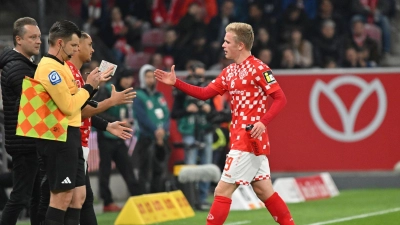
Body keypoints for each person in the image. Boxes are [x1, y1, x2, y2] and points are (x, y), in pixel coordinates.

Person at [155, 22, 295, 225]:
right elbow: (204, 94)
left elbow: (280, 98)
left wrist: (263, 122)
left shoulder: (259, 68)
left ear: (240, 45)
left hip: (248, 139)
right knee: (264, 190)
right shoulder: (229, 71)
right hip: (243, 138)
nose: (223, 45)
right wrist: (176, 83)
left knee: (222, 190)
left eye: (227, 41)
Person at [36, 31, 135, 224]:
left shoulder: (76, 73)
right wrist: (110, 102)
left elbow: (82, 108)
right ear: (77, 47)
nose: (93, 49)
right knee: (64, 199)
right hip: (66, 141)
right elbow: (77, 110)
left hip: (73, 142)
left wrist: (106, 124)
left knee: (79, 198)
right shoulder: (67, 70)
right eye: (89, 44)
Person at [33, 20, 101, 225]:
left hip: (69, 136)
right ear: (60, 43)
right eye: (73, 46)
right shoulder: (49, 69)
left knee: (75, 198)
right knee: (61, 198)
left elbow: (75, 100)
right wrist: (89, 88)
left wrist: (87, 90)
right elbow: (70, 106)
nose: (75, 51)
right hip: (58, 137)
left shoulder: (60, 67)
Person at [0, 17, 42, 225]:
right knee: (20, 197)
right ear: (18, 39)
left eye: (39, 37)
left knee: (36, 196)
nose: (38, 41)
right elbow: (36, 104)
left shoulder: (25, 65)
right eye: (32, 37)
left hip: (29, 141)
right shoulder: (18, 68)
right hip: (25, 142)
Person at [93, 69, 141, 212]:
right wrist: (118, 121)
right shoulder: (108, 89)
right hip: (106, 134)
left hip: (119, 136)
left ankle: (137, 199)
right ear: (119, 78)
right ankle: (107, 202)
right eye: (125, 78)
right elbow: (98, 110)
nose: (128, 81)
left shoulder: (127, 92)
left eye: (130, 78)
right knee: (105, 169)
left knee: (127, 167)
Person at [171, 61, 215, 210]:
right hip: (189, 130)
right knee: (191, 166)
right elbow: (174, 113)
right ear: (190, 72)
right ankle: (192, 198)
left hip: (205, 130)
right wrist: (187, 110)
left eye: (202, 76)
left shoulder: (208, 87)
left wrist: (209, 110)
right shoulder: (182, 89)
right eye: (197, 76)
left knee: (207, 166)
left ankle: (202, 199)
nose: (200, 79)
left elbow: (214, 113)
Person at [132, 64, 170, 194]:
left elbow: (166, 115)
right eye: (147, 77)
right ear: (142, 78)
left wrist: (163, 130)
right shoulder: (139, 95)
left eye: (152, 77)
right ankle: (143, 196)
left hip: (162, 138)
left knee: (159, 169)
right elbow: (142, 118)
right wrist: (155, 131)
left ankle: (157, 195)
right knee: (145, 170)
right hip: (146, 138)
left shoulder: (159, 96)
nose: (150, 80)